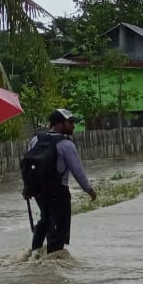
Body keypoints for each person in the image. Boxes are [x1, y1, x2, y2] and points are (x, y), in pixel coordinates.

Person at [26, 109, 97, 257]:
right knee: (59, 226)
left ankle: (35, 252)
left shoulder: (35, 140)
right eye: (70, 122)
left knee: (45, 219)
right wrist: (89, 190)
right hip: (59, 191)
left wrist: (27, 188)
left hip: (39, 191)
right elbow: (78, 171)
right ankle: (54, 258)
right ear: (58, 124)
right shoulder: (66, 145)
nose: (73, 126)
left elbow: (29, 166)